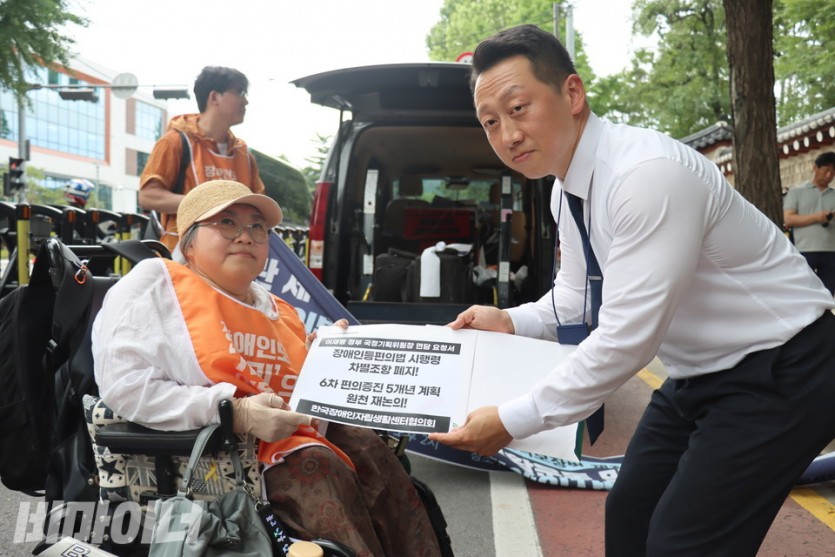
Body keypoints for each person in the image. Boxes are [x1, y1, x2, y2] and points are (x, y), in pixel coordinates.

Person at [428, 24, 835, 557]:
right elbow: (575, 298)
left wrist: (510, 421)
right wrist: (510, 320)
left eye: (518, 108)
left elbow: (624, 339)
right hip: (699, 374)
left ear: (573, 93)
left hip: (785, 368)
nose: (508, 135)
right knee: (630, 513)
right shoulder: (565, 192)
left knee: (681, 544)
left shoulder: (646, 175)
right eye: (490, 122)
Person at [92, 180, 440, 557]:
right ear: (189, 242)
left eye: (257, 226)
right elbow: (124, 386)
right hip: (224, 462)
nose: (246, 236)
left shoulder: (276, 307)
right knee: (317, 466)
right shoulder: (156, 285)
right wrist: (235, 412)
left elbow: (298, 389)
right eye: (227, 222)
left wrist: (327, 358)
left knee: (372, 451)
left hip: (300, 440)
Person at [138, 66, 265, 251]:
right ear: (214, 97)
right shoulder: (174, 141)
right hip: (183, 255)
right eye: (239, 92)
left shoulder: (244, 154)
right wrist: (208, 203)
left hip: (232, 255)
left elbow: (259, 204)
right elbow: (148, 196)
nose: (245, 101)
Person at [783, 151, 835, 293]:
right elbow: (788, 219)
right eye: (826, 170)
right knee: (804, 291)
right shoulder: (796, 192)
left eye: (833, 172)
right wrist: (817, 217)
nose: (829, 175)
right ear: (815, 168)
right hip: (804, 250)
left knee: (828, 293)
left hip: (831, 251)